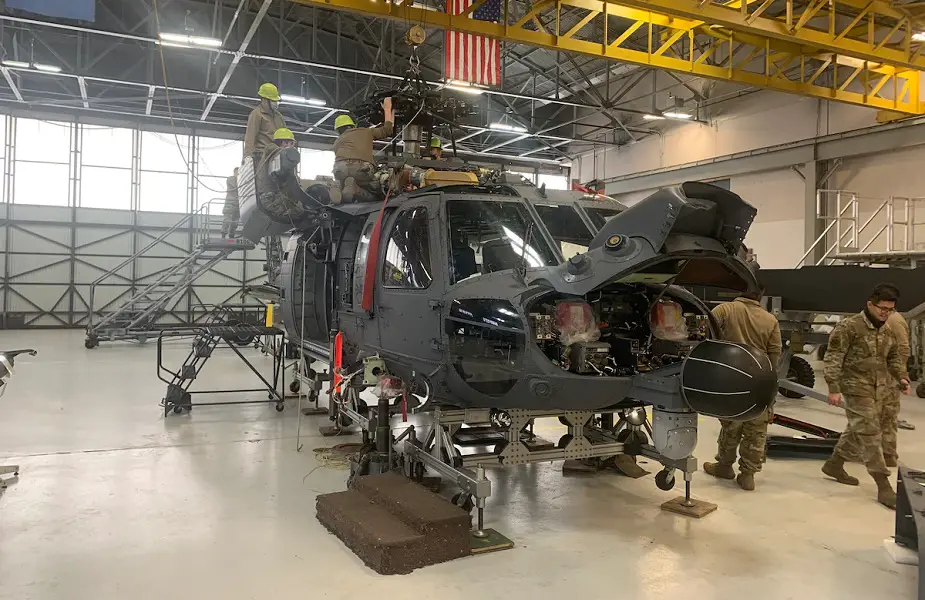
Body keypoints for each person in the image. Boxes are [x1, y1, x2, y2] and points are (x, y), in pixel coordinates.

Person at [821, 283, 910, 510]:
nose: (885, 313)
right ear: (870, 304)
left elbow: (893, 358)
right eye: (882, 308)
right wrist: (833, 386)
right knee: (870, 431)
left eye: (890, 310)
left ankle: (834, 464)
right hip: (854, 386)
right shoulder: (849, 327)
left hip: (877, 387)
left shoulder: (887, 330)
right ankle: (883, 485)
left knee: (858, 427)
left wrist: (901, 376)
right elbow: (833, 357)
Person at [702, 284, 782, 491]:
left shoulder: (724, 310)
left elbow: (705, 338)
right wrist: (771, 385)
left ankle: (724, 465)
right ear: (761, 295)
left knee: (731, 425)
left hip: (730, 379)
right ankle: (748, 475)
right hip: (760, 379)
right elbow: (775, 353)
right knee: (756, 429)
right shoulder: (770, 319)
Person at [332, 97, 394, 204]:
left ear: (338, 130)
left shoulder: (337, 141)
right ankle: (355, 189)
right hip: (360, 169)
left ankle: (338, 186)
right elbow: (387, 130)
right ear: (353, 125)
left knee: (346, 181)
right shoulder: (366, 132)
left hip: (339, 169)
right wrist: (388, 109)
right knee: (377, 193)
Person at [883, 311, 910, 467]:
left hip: (889, 377)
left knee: (888, 416)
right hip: (882, 375)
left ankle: (888, 455)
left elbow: (903, 349)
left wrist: (900, 374)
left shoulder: (893, 320)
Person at [244, 83, 286, 158]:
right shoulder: (256, 114)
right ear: (264, 100)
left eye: (276, 101)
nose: (275, 103)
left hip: (278, 155)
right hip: (262, 157)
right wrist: (247, 159)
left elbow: (286, 137)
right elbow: (250, 139)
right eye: (273, 100)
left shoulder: (279, 116)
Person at [221, 167, 239, 239]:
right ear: (235, 172)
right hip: (230, 202)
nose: (239, 173)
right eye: (238, 172)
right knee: (227, 220)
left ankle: (231, 235)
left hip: (238, 204)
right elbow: (235, 186)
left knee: (235, 222)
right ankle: (223, 234)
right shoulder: (230, 179)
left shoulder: (242, 180)